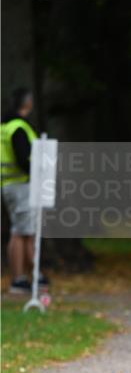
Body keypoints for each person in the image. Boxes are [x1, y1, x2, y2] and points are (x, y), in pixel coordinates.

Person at [1, 87, 49, 294]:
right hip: (21, 185)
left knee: (18, 231)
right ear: (27, 103)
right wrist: (38, 174)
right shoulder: (19, 128)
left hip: (8, 185)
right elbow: (23, 159)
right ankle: (22, 278)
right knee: (24, 232)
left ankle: (24, 277)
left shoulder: (5, 126)